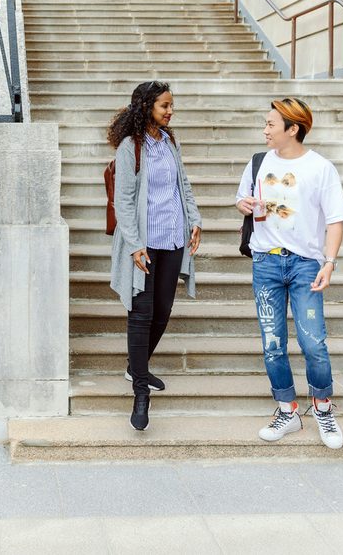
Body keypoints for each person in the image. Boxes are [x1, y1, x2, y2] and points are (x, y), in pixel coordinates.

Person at [234, 97, 343, 450]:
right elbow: (242, 199)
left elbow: (335, 221)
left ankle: (323, 407)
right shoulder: (258, 162)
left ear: (293, 128)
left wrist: (329, 263)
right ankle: (288, 410)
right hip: (266, 263)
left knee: (313, 342)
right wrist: (245, 203)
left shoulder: (321, 168)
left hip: (305, 265)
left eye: (271, 124)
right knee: (273, 345)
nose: (265, 130)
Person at [108, 80, 202, 431]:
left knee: (163, 311)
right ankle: (140, 391)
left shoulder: (170, 142)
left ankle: (137, 366)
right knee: (141, 314)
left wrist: (195, 220)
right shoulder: (131, 147)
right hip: (144, 244)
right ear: (147, 106)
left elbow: (184, 185)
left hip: (173, 239)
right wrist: (134, 244)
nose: (170, 111)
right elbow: (124, 201)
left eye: (171, 105)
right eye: (165, 105)